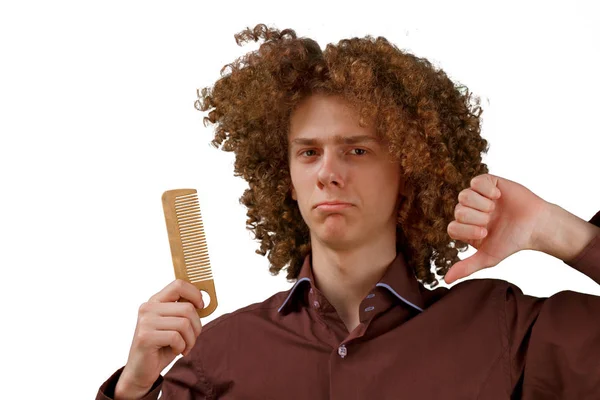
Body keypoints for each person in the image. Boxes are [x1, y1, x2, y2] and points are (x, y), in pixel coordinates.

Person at [97, 24, 600, 399]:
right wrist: (133, 389)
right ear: (286, 180)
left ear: (410, 170)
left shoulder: (500, 328)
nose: (327, 172)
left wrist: (564, 234)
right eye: (308, 152)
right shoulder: (221, 352)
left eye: (357, 150)